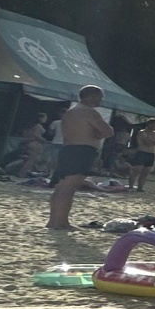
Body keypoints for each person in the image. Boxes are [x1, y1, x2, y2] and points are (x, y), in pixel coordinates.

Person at [47, 87, 114, 230]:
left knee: (63, 186)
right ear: (91, 96)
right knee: (68, 187)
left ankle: (57, 221)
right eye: (99, 97)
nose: (101, 100)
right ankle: (58, 222)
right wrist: (97, 135)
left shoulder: (70, 112)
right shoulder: (88, 112)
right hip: (82, 151)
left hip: (69, 149)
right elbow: (108, 130)